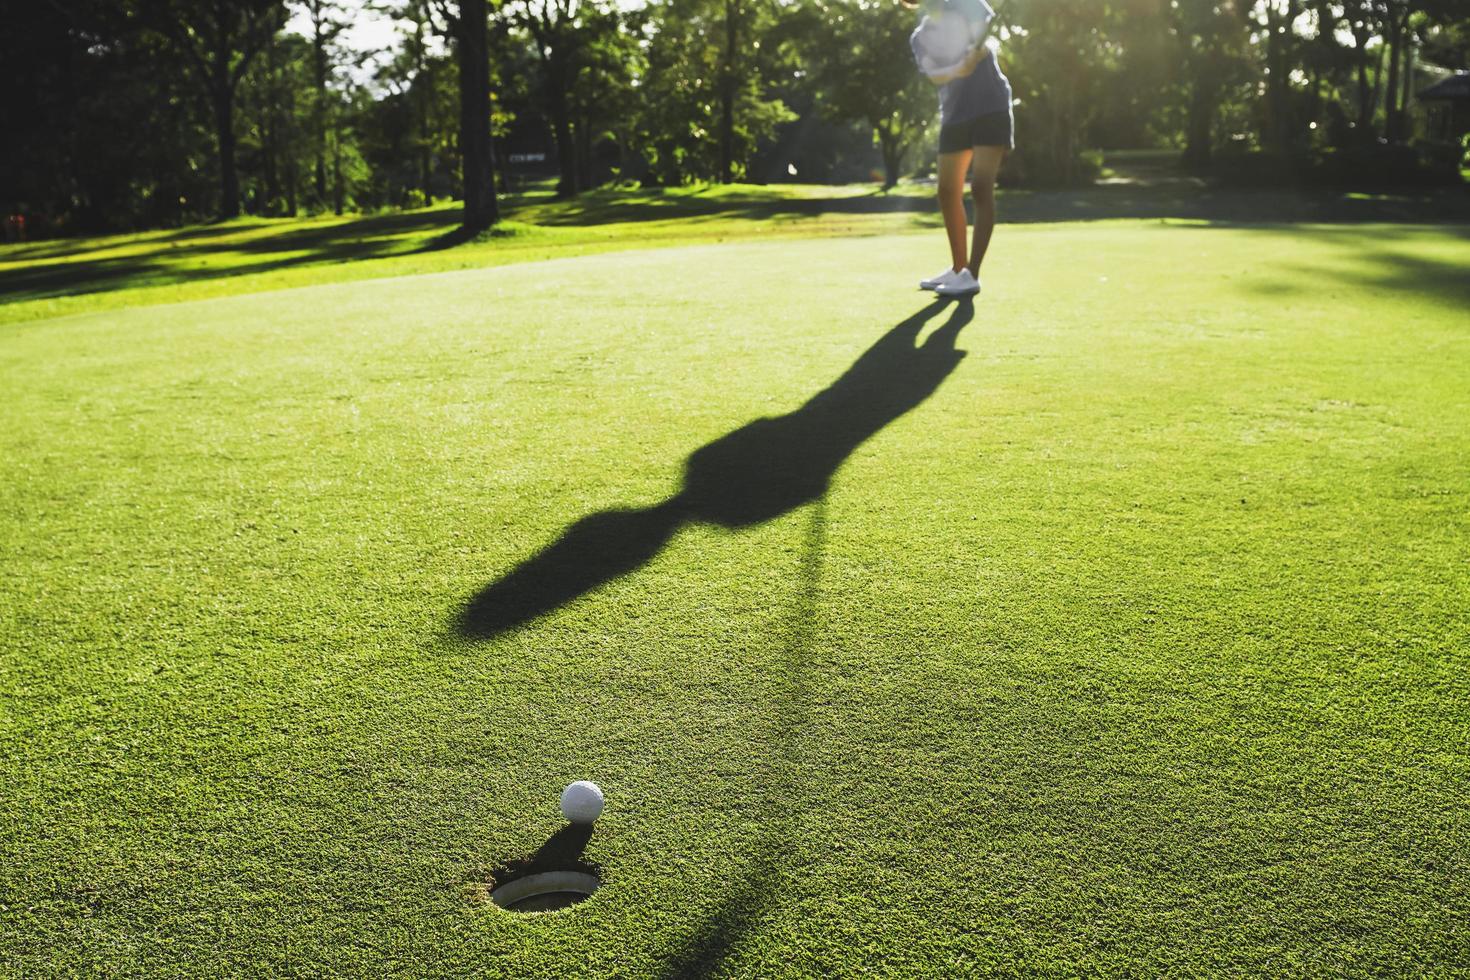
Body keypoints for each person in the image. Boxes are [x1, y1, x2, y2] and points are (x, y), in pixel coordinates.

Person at [906, 0, 1013, 296]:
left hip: (991, 105)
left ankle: (972, 274)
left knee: (980, 188)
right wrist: (959, 68)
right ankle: (957, 270)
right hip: (955, 114)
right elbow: (934, 75)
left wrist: (979, 51)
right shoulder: (920, 37)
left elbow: (983, 34)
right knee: (946, 191)